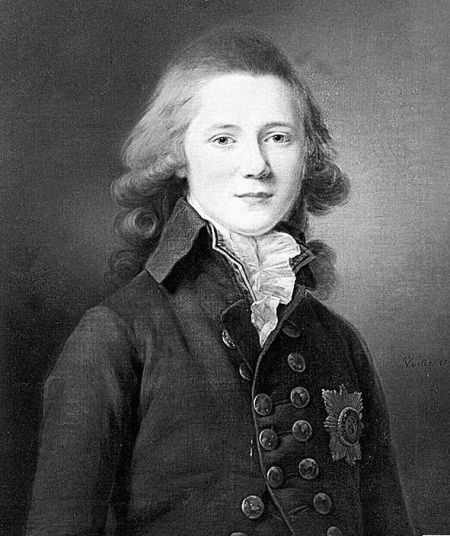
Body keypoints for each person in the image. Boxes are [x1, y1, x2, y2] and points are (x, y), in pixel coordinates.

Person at [26, 26, 414, 536]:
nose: (256, 165)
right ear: (177, 157)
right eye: (224, 139)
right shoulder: (117, 333)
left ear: (307, 156)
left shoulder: (341, 342)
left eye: (278, 137)